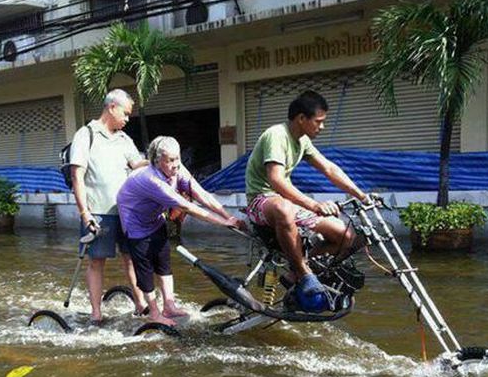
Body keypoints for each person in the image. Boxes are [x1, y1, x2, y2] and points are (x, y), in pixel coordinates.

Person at [245, 90, 369, 309]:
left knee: (346, 236)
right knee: (284, 208)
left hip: (284, 203)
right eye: (318, 122)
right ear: (301, 118)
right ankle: (304, 272)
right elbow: (276, 180)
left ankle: (296, 271)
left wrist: (361, 194)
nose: (322, 127)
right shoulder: (277, 135)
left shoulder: (302, 141)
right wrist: (314, 205)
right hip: (261, 201)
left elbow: (329, 168)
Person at [117, 136, 246, 326]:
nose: (176, 164)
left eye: (177, 158)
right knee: (145, 268)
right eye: (170, 160)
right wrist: (223, 223)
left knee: (163, 262)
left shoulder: (177, 170)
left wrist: (228, 216)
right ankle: (154, 312)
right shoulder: (151, 179)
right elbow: (188, 207)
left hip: (154, 218)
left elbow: (200, 194)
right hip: (135, 222)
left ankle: (169, 305)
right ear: (156, 161)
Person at [70, 89, 149, 324]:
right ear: (112, 107)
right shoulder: (86, 135)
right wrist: (85, 214)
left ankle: (141, 304)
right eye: (125, 114)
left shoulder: (125, 139)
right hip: (98, 212)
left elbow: (137, 165)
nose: (127, 119)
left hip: (127, 212)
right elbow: (77, 176)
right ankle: (96, 313)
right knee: (96, 261)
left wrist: (158, 159)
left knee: (132, 258)